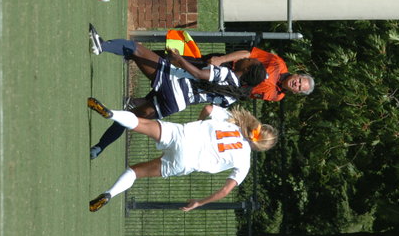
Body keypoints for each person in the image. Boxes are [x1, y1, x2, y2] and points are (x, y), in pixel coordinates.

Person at [88, 24, 266, 159]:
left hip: (173, 82)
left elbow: (199, 74)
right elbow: (209, 106)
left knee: (135, 48)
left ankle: (101, 46)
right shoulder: (233, 97)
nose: (246, 59)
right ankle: (98, 148)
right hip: (176, 104)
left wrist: (179, 59)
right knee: (129, 119)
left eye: (249, 61)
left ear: (247, 69)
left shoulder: (227, 74)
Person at [87, 97, 278, 212]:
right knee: (135, 172)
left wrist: (199, 123)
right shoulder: (244, 162)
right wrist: (199, 203)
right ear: (260, 147)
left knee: (139, 122)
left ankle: (111, 113)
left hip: (183, 134)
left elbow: (208, 108)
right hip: (186, 162)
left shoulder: (234, 122)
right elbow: (225, 191)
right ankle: (109, 194)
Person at [178, 47, 315, 102]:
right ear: (297, 75)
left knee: (184, 89)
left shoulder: (277, 96)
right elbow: (248, 54)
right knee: (185, 64)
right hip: (226, 67)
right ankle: (168, 58)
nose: (296, 84)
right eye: (299, 80)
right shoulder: (277, 63)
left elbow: (248, 93)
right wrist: (222, 59)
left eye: (299, 87)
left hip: (226, 86)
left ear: (296, 92)